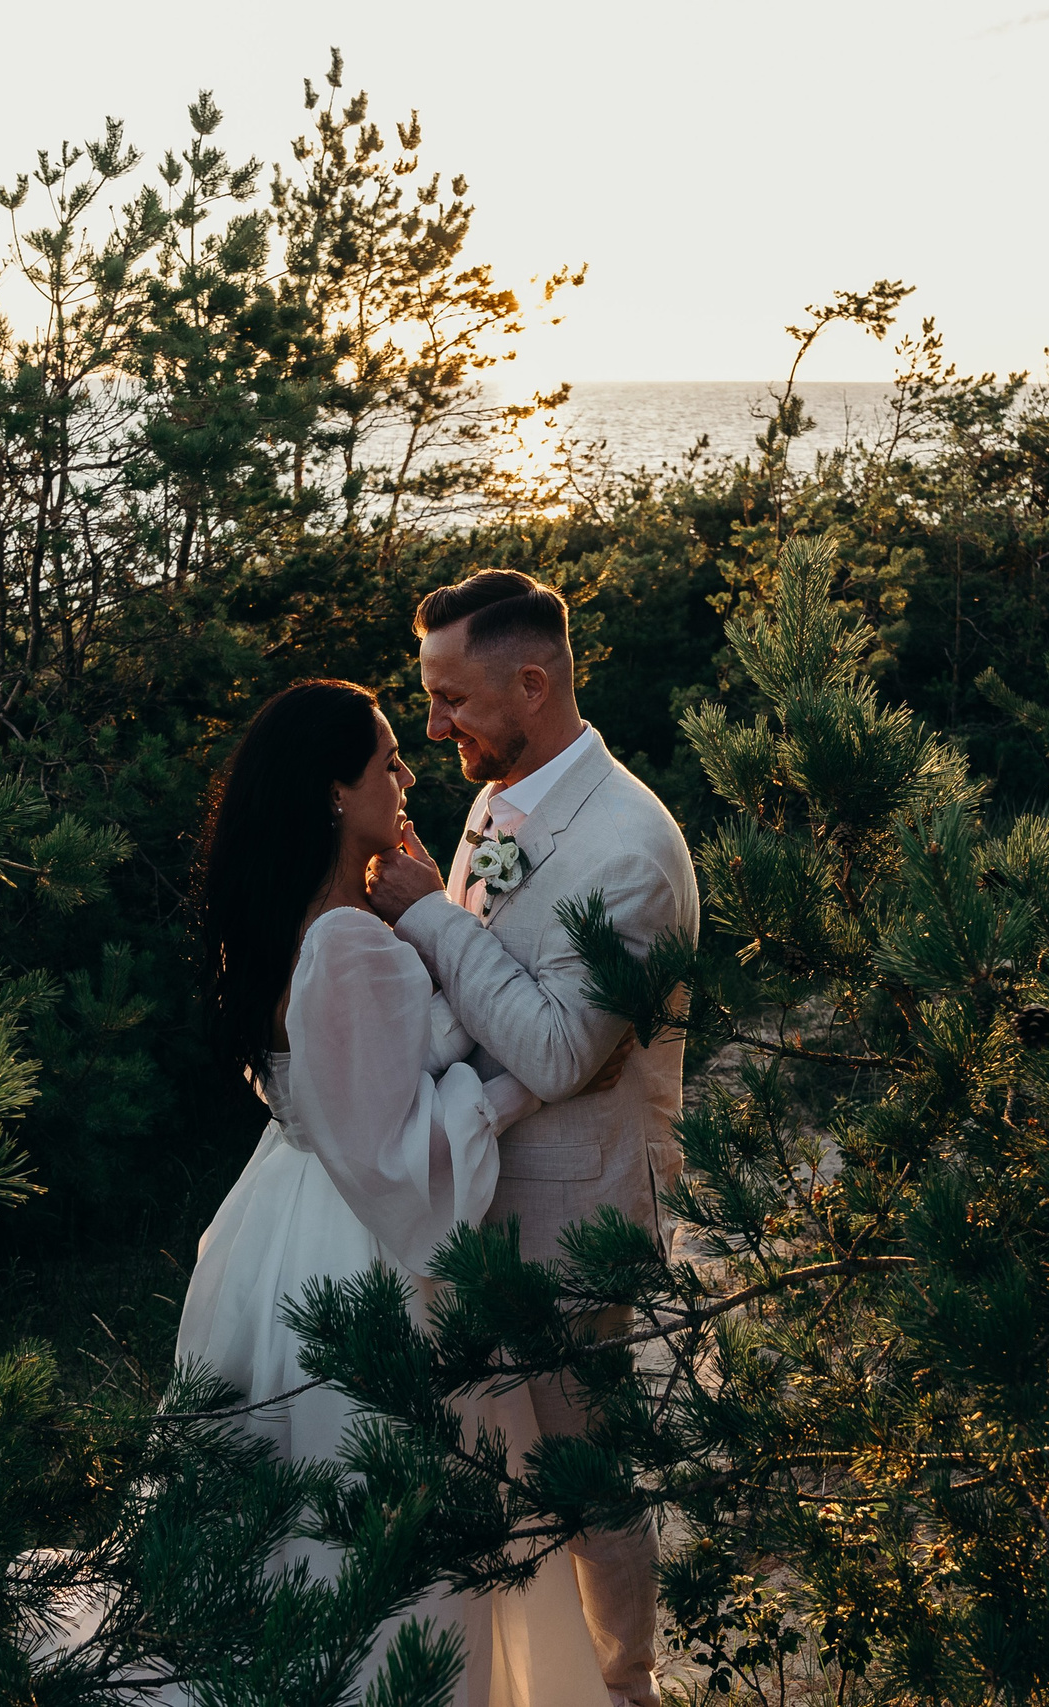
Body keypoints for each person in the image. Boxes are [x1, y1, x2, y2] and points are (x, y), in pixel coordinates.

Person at [167, 678, 613, 1704]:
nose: (409, 774)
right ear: (334, 793)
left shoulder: (314, 917)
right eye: (386, 762)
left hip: (278, 1228)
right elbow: (393, 1154)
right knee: (394, 1525)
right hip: (359, 1250)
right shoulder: (347, 943)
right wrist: (517, 1084)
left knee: (308, 1525)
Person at [368, 571, 700, 1707]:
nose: (432, 725)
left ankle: (623, 1687)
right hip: (481, 1183)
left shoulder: (627, 848)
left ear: (530, 681)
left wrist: (422, 914)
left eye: (451, 699)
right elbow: (488, 980)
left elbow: (559, 1051)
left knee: (581, 1468)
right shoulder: (497, 796)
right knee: (496, 1460)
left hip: (572, 1208)